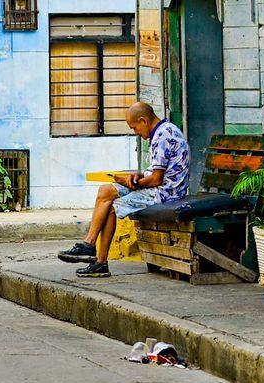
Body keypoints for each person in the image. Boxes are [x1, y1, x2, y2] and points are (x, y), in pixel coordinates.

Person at [59, 102, 191, 279]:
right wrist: (136, 176)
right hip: (158, 186)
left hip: (166, 193)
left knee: (112, 207)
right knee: (105, 190)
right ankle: (89, 244)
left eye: (134, 127)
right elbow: (155, 172)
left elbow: (157, 180)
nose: (135, 132)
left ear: (143, 121)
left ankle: (100, 262)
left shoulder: (162, 136)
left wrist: (133, 184)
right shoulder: (163, 130)